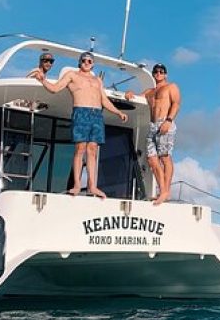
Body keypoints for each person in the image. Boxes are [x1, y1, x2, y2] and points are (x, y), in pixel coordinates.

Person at [32, 51, 128, 198]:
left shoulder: (97, 80)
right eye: (84, 60)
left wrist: (118, 113)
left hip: (96, 115)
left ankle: (92, 185)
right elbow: (55, 88)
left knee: (93, 150)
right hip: (81, 112)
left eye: (89, 61)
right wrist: (43, 80)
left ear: (93, 64)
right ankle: (77, 184)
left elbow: (104, 100)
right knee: (80, 148)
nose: (86, 63)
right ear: (80, 62)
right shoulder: (72, 75)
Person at [124, 63, 181, 205]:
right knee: (151, 160)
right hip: (152, 126)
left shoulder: (171, 87)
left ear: (165, 74)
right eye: (156, 71)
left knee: (165, 157)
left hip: (165, 122)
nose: (159, 73)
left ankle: (165, 192)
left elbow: (176, 104)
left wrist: (168, 120)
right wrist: (129, 92)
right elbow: (136, 97)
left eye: (162, 71)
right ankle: (163, 191)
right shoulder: (149, 92)